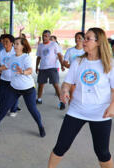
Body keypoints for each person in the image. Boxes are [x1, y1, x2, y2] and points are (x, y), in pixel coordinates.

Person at [48, 27, 114, 168]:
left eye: (87, 38)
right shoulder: (78, 61)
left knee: (102, 153)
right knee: (61, 146)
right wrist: (64, 91)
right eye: (84, 38)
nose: (83, 41)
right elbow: (67, 83)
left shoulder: (110, 63)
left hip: (100, 114)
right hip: (76, 111)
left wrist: (112, 106)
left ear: (98, 42)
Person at [0, 37, 45, 137]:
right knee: (4, 107)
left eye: (17, 44)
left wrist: (23, 72)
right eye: (15, 44)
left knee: (32, 109)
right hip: (14, 88)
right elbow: (6, 66)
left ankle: (40, 126)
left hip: (28, 89)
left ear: (23, 46)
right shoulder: (12, 57)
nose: (15, 46)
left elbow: (30, 70)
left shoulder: (25, 57)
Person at [35, 30, 65, 110]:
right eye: (43, 36)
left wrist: (62, 65)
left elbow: (59, 55)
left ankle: (61, 101)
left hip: (52, 68)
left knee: (55, 84)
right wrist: (36, 66)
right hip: (42, 68)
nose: (44, 38)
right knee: (40, 84)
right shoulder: (40, 46)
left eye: (46, 36)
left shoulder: (54, 44)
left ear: (49, 37)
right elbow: (38, 57)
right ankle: (39, 99)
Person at [62, 32, 85, 104]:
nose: (77, 39)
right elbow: (64, 63)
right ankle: (71, 112)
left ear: (84, 39)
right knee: (72, 96)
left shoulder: (86, 51)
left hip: (84, 76)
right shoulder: (70, 50)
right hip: (73, 77)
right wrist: (72, 67)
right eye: (76, 38)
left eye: (79, 38)